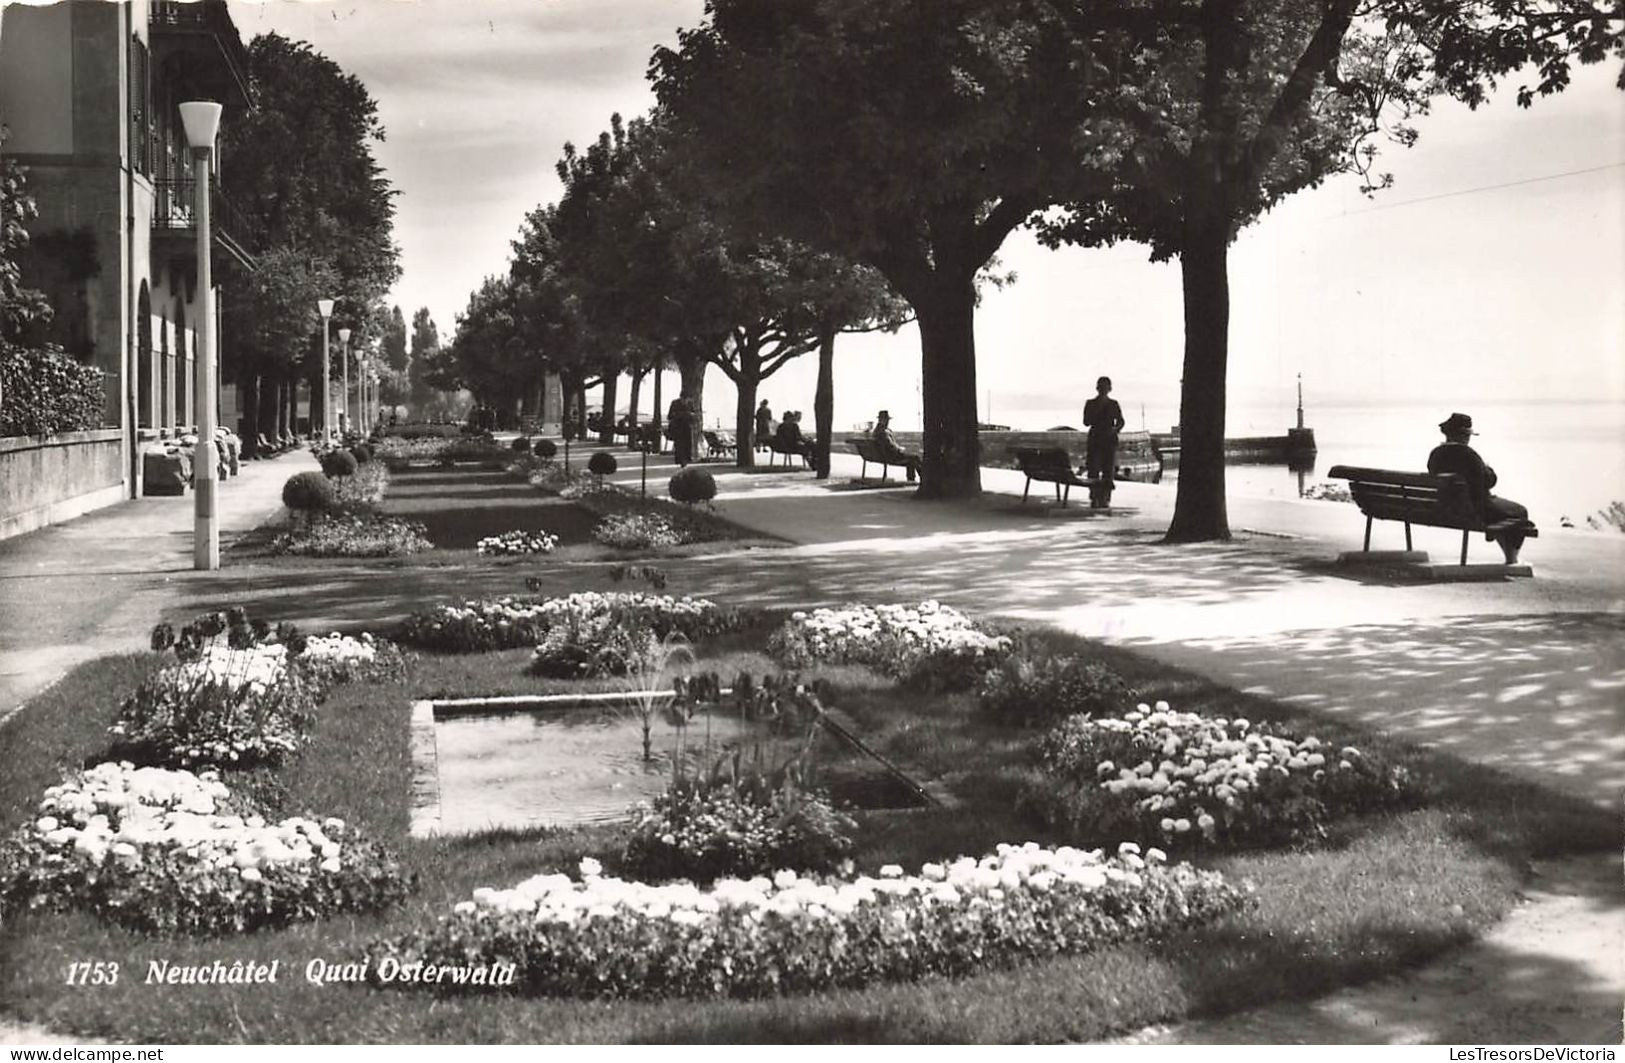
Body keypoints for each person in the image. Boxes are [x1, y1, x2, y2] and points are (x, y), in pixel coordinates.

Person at [1427, 412, 1534, 563]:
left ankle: (1511, 557)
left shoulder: (1436, 454)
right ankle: (1511, 558)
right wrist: (1488, 470)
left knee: (1500, 513)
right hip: (1473, 510)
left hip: (1445, 508)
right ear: (1464, 435)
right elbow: (1488, 482)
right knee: (1519, 511)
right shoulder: (1469, 455)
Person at [1082, 376, 1125, 508]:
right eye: (1102, 387)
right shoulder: (1091, 403)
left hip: (1108, 439)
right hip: (1097, 439)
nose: (1103, 390)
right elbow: (1086, 422)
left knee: (1107, 470)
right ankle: (1095, 497)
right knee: (1094, 469)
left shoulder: (1113, 404)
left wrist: (1115, 430)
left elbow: (1121, 421)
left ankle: (1104, 498)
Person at [871, 409, 918, 483]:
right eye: (886, 420)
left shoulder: (876, 431)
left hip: (884, 455)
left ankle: (916, 479)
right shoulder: (883, 432)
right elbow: (891, 446)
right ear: (882, 420)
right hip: (891, 456)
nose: (888, 422)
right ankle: (920, 479)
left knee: (913, 458)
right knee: (915, 458)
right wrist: (900, 449)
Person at [667, 396, 694, 466]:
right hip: (677, 428)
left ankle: (686, 459)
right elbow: (670, 416)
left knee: (687, 444)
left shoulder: (690, 404)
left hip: (687, 428)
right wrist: (680, 415)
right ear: (681, 398)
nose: (685, 402)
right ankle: (680, 460)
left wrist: (691, 415)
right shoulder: (674, 403)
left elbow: (693, 414)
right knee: (679, 444)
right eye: (684, 400)